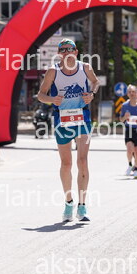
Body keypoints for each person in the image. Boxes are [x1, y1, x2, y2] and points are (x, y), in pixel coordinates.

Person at [37, 39, 99, 222]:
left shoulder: (85, 67)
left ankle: (82, 206)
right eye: (62, 50)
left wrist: (91, 94)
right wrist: (52, 100)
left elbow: (95, 82)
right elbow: (41, 95)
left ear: (76, 51)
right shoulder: (53, 71)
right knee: (66, 164)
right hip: (62, 121)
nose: (66, 53)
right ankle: (68, 201)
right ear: (59, 53)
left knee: (83, 161)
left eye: (69, 49)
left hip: (82, 119)